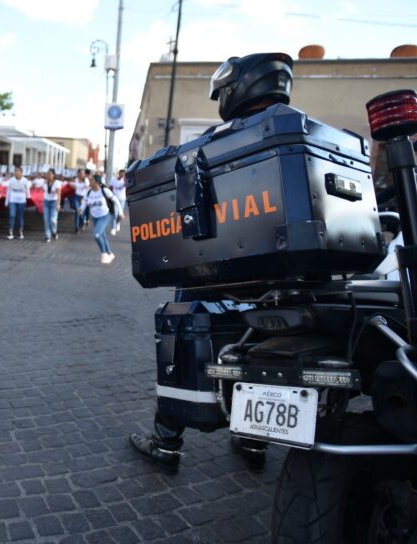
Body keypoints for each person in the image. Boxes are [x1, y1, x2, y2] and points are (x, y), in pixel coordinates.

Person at [129, 52, 295, 473]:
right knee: (265, 350)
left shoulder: (222, 137)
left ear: (236, 91)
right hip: (292, 275)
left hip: (220, 270)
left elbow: (170, 173)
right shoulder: (299, 130)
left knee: (182, 331)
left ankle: (166, 442)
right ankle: (253, 438)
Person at [80, 175, 122, 263]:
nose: (89, 182)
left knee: (97, 234)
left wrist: (121, 213)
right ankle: (110, 253)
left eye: (91, 180)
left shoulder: (104, 191)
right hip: (95, 217)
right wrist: (81, 209)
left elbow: (116, 201)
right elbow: (84, 202)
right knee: (103, 236)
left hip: (105, 215)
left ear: (96, 182)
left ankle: (104, 253)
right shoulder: (89, 192)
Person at [5, 166, 31, 240]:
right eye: (15, 171)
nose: (16, 172)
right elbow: (8, 191)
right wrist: (6, 202)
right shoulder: (11, 180)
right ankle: (10, 232)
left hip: (21, 201)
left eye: (18, 171)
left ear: (21, 172)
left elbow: (27, 191)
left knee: (20, 217)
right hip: (12, 200)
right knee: (12, 215)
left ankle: (20, 231)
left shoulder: (25, 180)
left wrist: (28, 199)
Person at [42, 168, 62, 242]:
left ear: (54, 175)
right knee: (46, 219)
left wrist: (58, 205)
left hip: (54, 202)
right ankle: (48, 235)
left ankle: (54, 231)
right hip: (46, 202)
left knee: (53, 219)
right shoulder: (44, 182)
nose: (48, 175)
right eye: (47, 174)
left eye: (50, 174)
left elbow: (59, 194)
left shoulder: (57, 183)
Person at [109, 169, 127, 236]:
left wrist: (125, 180)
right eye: (121, 174)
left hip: (122, 199)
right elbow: (110, 187)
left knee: (120, 213)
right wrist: (110, 196)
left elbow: (126, 185)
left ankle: (118, 223)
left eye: (123, 174)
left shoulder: (124, 180)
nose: (122, 175)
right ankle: (113, 228)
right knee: (115, 213)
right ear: (119, 173)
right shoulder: (113, 180)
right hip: (115, 198)